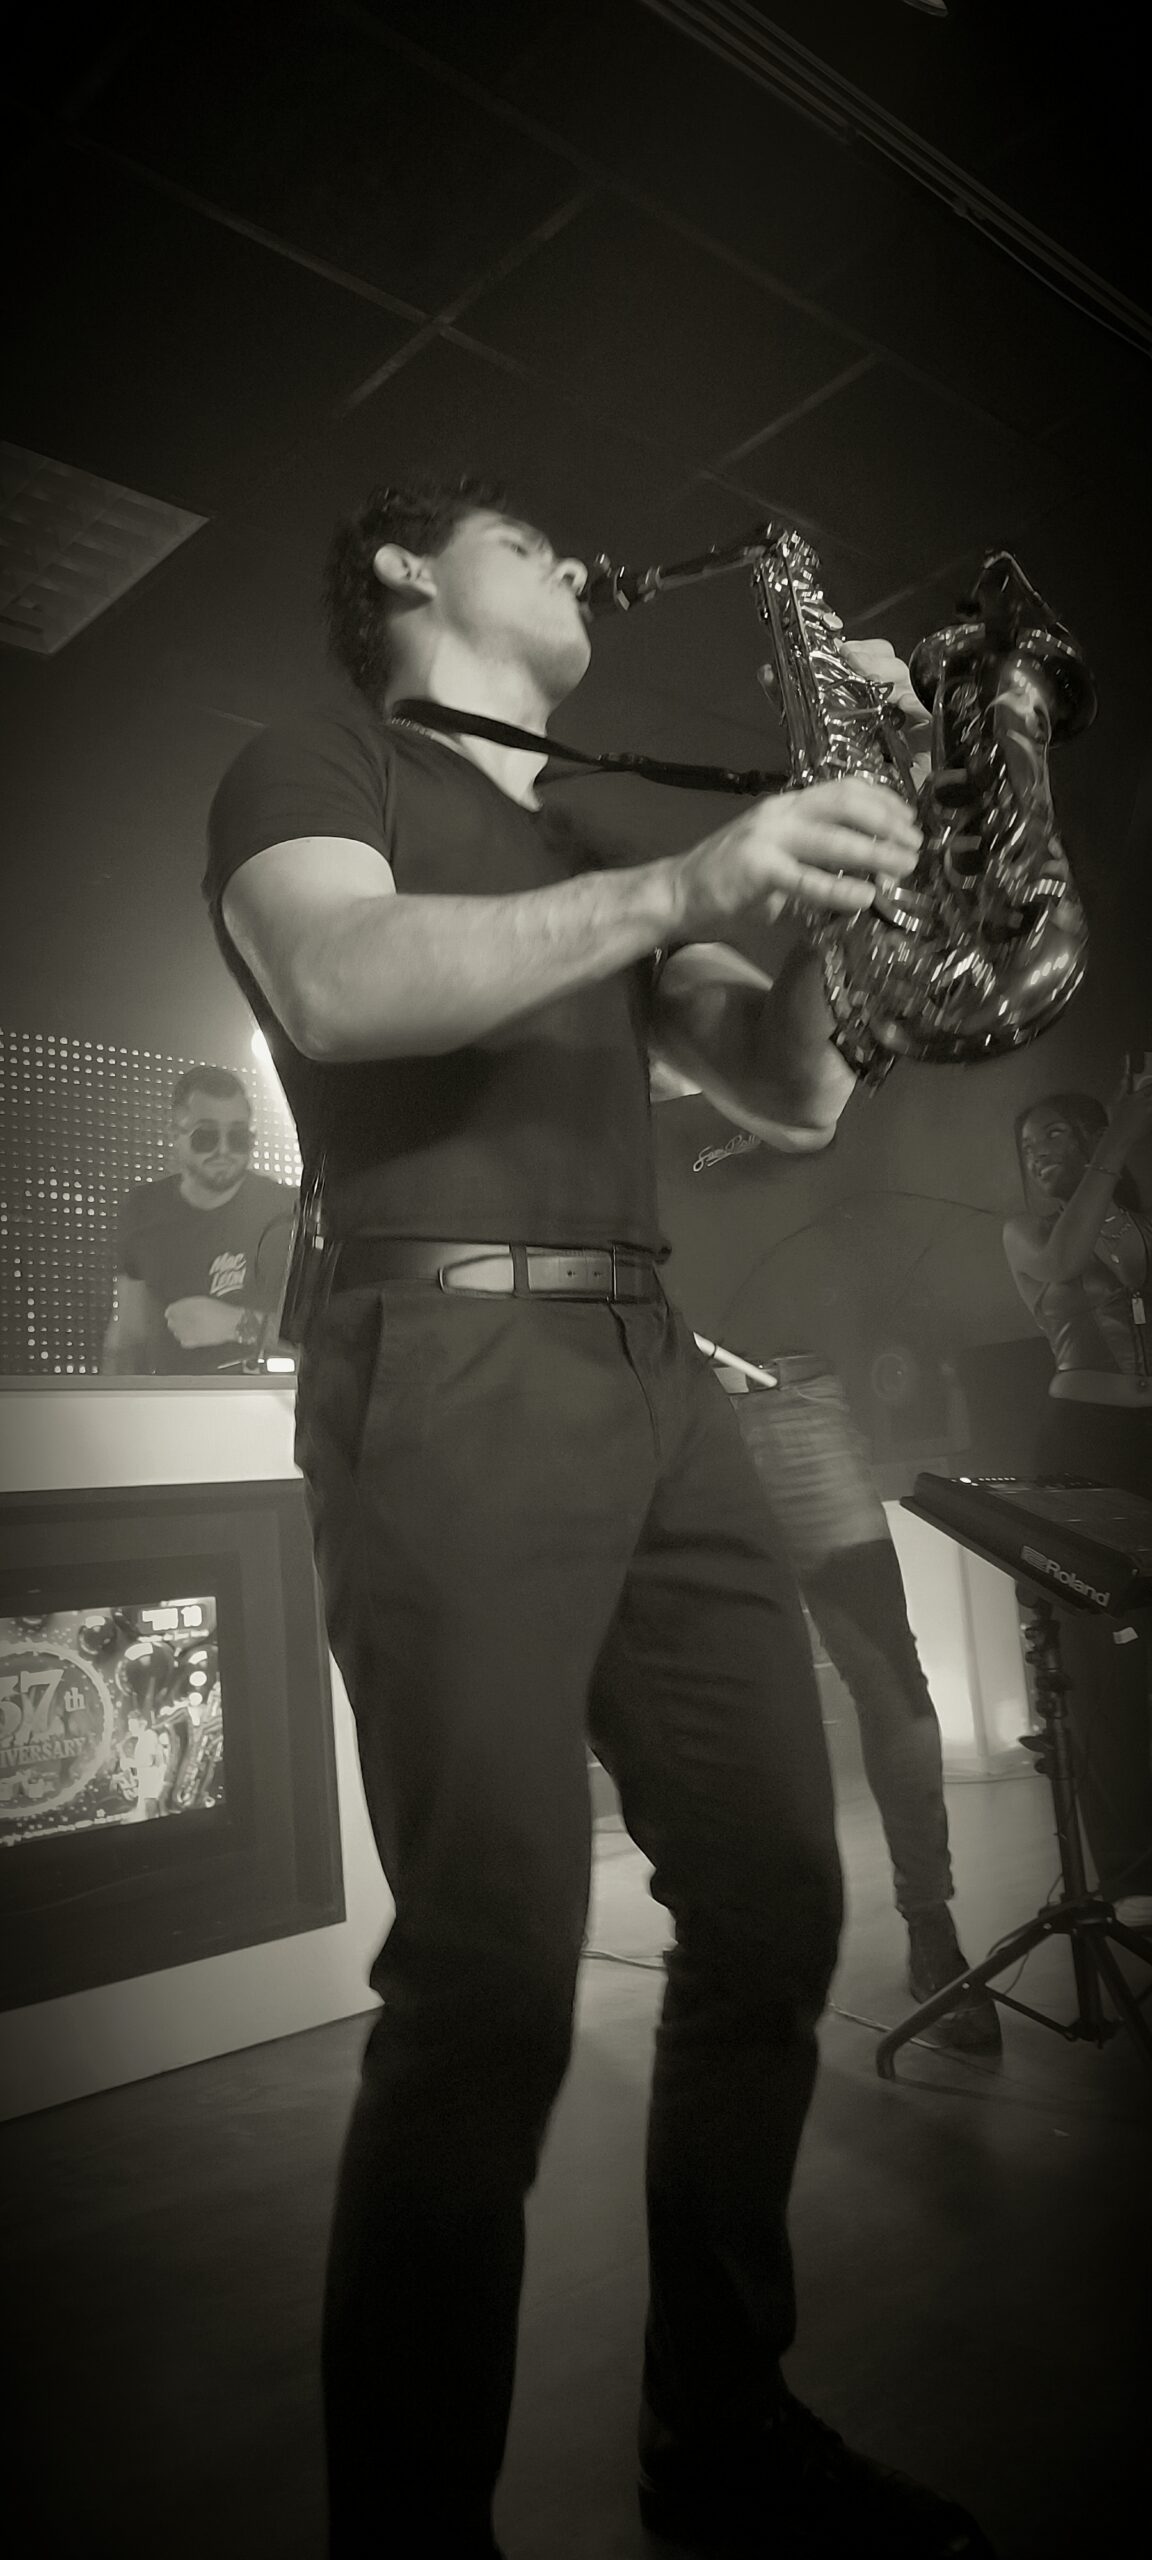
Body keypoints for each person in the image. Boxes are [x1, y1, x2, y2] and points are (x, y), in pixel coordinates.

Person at [204, 475, 995, 2558]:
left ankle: (718, 2437)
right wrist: (689, 879)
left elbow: (793, 1093)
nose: (570, 556)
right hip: (441, 1350)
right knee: (491, 1973)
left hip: (655, 1371)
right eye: (520, 533)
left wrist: (832, 903)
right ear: (403, 569)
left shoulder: (579, 838)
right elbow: (340, 980)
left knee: (775, 1899)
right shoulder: (323, 764)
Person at [710, 1348, 1002, 2049]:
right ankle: (730, 1937)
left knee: (890, 1677)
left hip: (793, 1393)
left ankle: (931, 1930)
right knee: (714, 1698)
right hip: (667, 1404)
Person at [1004, 1073, 1152, 1925]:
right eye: (1030, 1145)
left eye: (1059, 1134)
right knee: (1102, 1662)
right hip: (1084, 1445)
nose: (1040, 1154)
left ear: (1096, 1136)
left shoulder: (1137, 1225)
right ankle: (1132, 1874)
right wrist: (1123, 1138)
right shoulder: (1027, 1232)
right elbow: (1066, 1262)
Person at [101, 1066, 297, 1374]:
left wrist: (233, 1324)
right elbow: (128, 1335)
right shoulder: (143, 1208)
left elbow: (322, 1336)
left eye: (238, 1137)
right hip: (174, 1399)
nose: (224, 1150)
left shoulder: (286, 1210)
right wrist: (111, 1398)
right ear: (175, 1136)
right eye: (206, 1136)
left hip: (265, 1396)